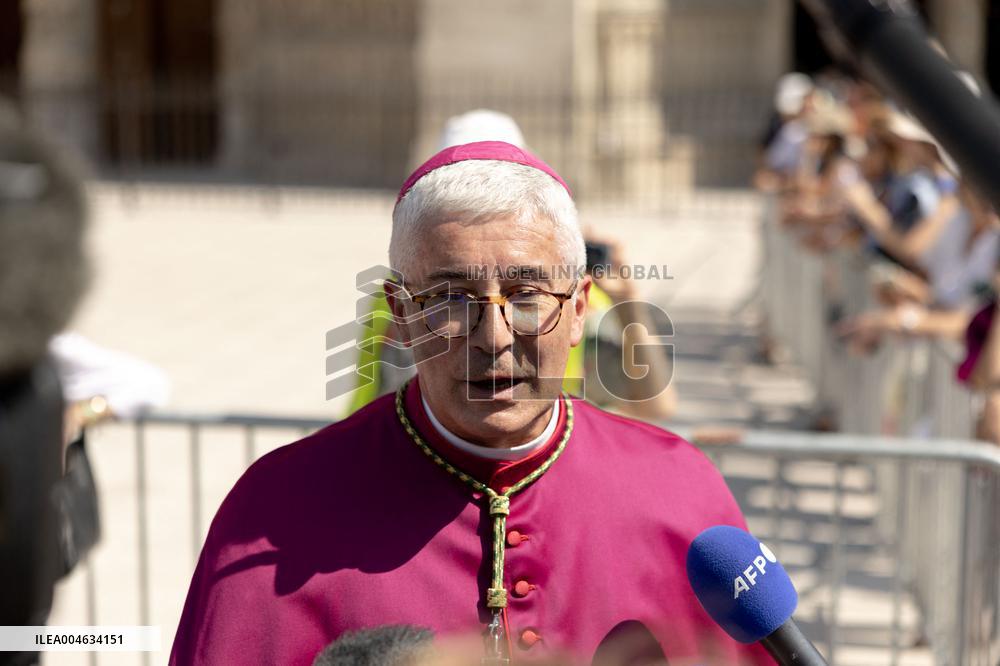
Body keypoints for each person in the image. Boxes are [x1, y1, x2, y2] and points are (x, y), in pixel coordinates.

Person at [170, 141, 769, 665]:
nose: (495, 336)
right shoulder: (275, 510)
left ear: (581, 307)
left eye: (527, 294)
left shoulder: (679, 488)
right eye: (451, 297)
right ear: (400, 315)